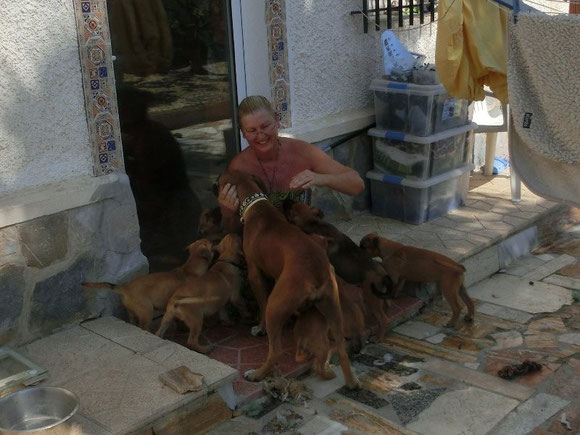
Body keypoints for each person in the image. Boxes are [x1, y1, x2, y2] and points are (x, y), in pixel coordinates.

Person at [218, 95, 364, 217]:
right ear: (242, 133)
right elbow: (231, 226)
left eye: (265, 126)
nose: (260, 135)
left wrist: (322, 178)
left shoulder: (303, 151)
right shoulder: (238, 167)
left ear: (276, 121)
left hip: (303, 239)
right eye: (252, 130)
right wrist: (227, 210)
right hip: (262, 245)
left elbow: (356, 184)